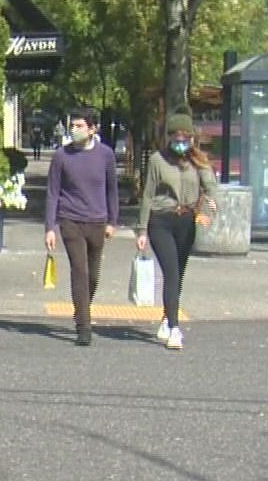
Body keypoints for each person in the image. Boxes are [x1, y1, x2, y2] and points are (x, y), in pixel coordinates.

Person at [135, 112, 217, 350]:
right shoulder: (157, 161)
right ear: (169, 137)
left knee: (178, 274)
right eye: (176, 137)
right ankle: (174, 327)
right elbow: (148, 196)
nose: (181, 141)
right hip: (161, 220)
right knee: (170, 272)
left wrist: (209, 207)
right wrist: (141, 230)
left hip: (187, 220)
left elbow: (211, 187)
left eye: (186, 137)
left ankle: (165, 317)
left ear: (192, 138)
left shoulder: (197, 161)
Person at [42, 107, 119, 345]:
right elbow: (53, 192)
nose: (74, 130)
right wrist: (50, 227)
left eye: (79, 126)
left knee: (93, 276)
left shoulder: (105, 155)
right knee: (80, 270)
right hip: (70, 220)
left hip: (97, 221)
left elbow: (111, 190)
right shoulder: (61, 156)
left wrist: (112, 221)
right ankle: (83, 326)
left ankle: (81, 307)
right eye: (72, 126)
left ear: (92, 129)